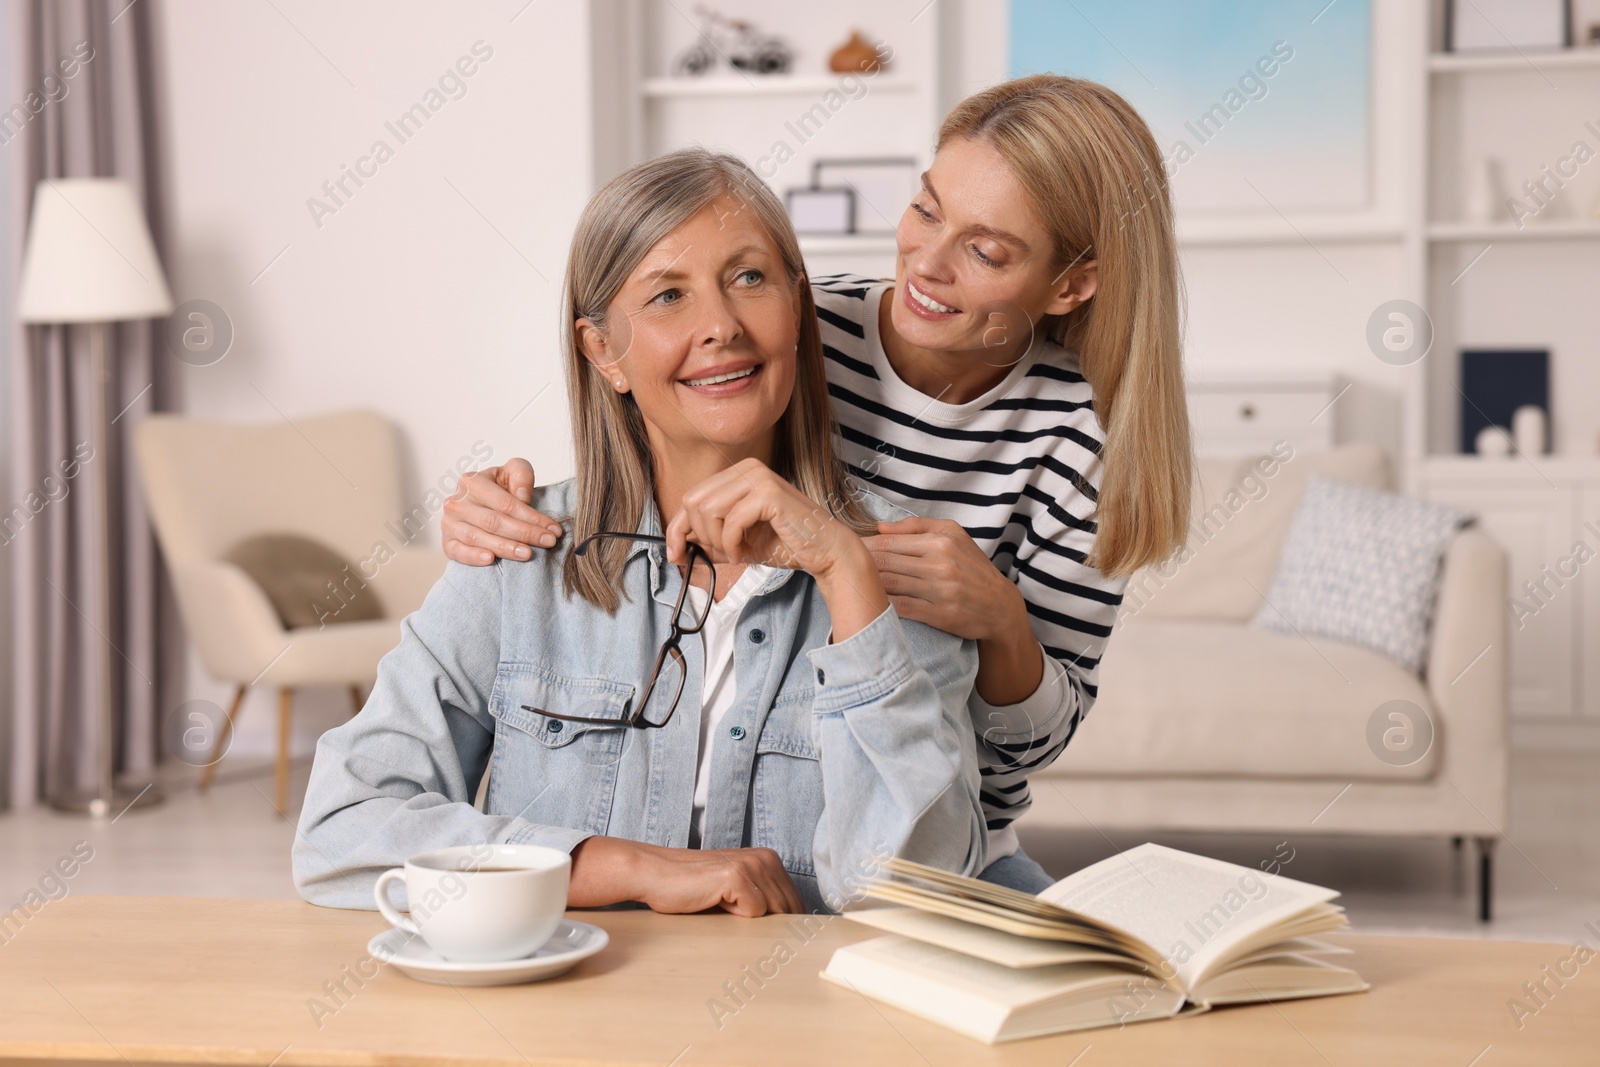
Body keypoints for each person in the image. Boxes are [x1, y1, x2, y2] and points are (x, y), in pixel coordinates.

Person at [441, 75, 1194, 893]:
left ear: (1070, 284)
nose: (926, 264)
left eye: (985, 250)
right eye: (927, 209)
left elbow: (1029, 746)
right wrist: (505, 508)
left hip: (942, 817)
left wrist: (1002, 623)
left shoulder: (1086, 447)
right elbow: (646, 444)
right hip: (781, 791)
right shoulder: (794, 328)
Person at [292, 148, 987, 917]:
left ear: (798, 307)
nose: (720, 326)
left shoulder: (904, 564)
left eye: (750, 278)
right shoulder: (517, 556)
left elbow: (922, 895)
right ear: (604, 353)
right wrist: (621, 866)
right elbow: (341, 829)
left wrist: (849, 578)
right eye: (667, 296)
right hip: (571, 1024)